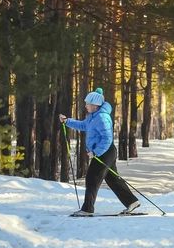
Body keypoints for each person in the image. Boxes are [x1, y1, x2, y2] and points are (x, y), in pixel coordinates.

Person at [59, 88, 140, 216]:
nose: (85, 106)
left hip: (105, 152)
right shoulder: (92, 117)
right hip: (105, 152)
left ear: (95, 105)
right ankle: (132, 201)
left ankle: (87, 209)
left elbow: (107, 138)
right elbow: (82, 125)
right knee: (113, 179)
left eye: (87, 104)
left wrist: (96, 152)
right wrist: (67, 121)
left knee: (92, 177)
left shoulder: (102, 117)